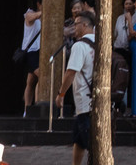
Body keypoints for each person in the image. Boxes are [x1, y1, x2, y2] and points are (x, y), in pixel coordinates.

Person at [56, 9, 95, 165]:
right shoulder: (102, 43)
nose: (74, 27)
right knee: (79, 141)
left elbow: (70, 72)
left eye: (76, 24)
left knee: (91, 144)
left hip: (85, 102)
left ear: (85, 25)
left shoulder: (80, 46)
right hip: (93, 102)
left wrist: (61, 94)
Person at [112, 0, 136, 111]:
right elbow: (116, 33)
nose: (128, 6)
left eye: (130, 4)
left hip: (129, 50)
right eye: (126, 4)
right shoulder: (120, 18)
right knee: (117, 78)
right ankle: (117, 105)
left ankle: (130, 106)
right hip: (118, 49)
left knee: (129, 78)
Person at [19, 0, 42, 115]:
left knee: (31, 81)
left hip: (40, 51)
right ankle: (36, 106)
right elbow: (30, 18)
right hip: (31, 51)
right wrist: (44, 12)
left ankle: (27, 110)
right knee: (42, 77)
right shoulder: (30, 14)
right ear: (38, 4)